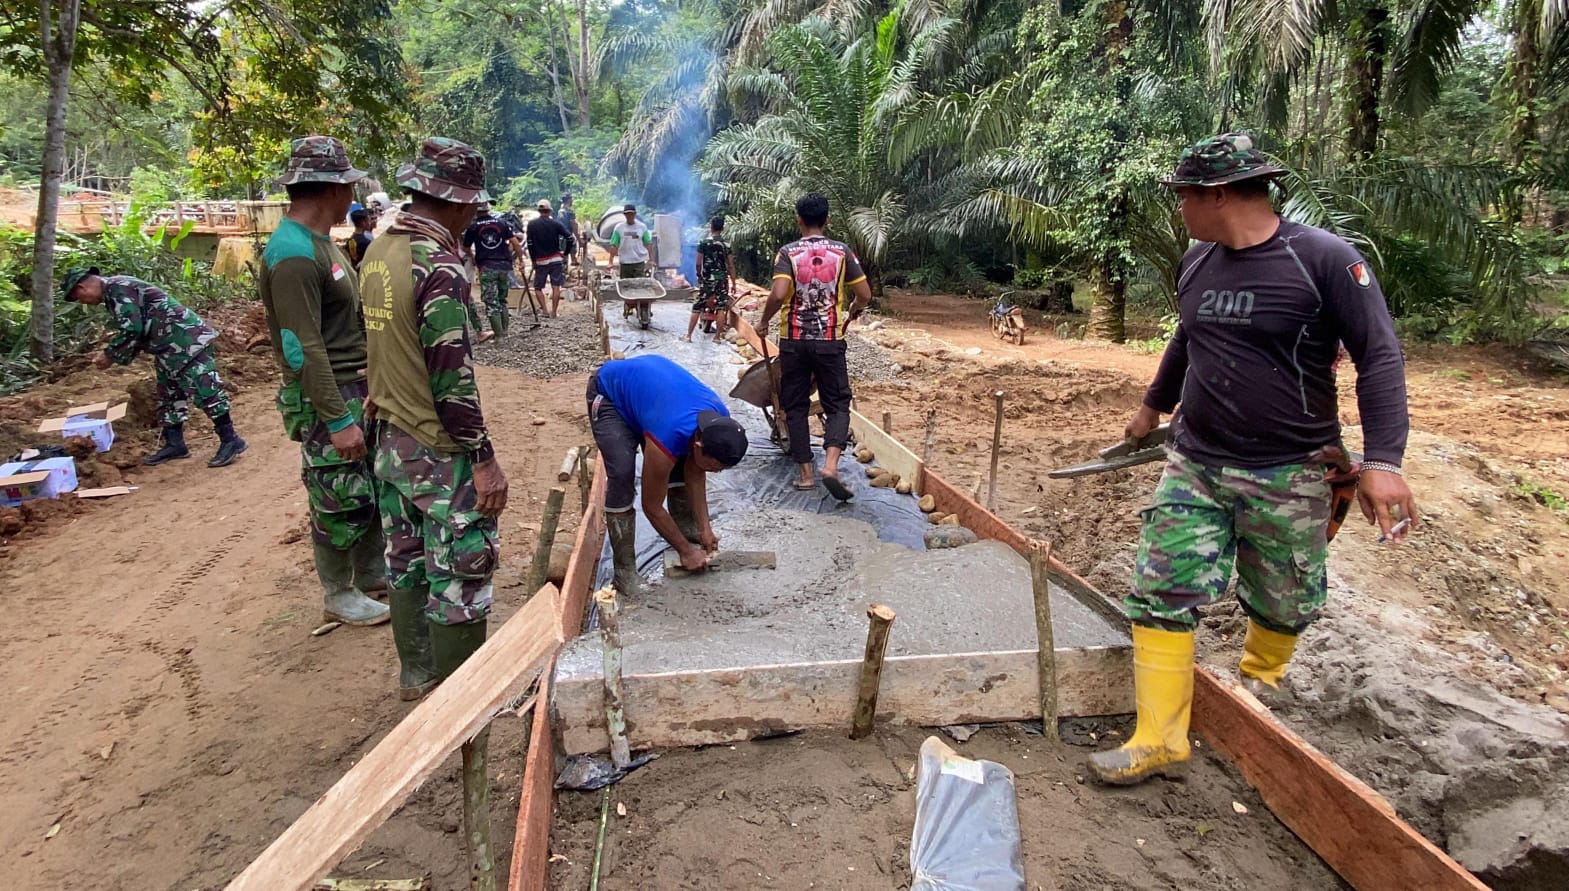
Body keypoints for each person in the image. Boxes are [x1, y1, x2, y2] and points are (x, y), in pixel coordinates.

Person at [1087, 133, 1420, 786]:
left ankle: (1256, 688)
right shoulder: (1196, 262)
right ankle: (1158, 737)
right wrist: (1154, 405)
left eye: (1183, 194)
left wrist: (1383, 457)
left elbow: (1378, 356)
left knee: (1281, 600)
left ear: (1214, 195)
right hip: (1196, 461)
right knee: (1160, 586)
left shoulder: (1323, 260)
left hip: (1291, 469)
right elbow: (1188, 336)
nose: (1177, 205)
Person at [360, 137, 508, 699]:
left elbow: (379, 341)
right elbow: (450, 377)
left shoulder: (378, 252)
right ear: (462, 203)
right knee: (462, 567)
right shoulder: (438, 266)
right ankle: (461, 697)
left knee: (406, 562)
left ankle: (416, 675)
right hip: (436, 447)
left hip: (391, 440)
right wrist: (483, 458)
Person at [258, 136, 390, 628]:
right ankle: (339, 590)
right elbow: (301, 347)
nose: (352, 197)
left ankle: (371, 572)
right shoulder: (292, 254)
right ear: (331, 189)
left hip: (354, 385)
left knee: (366, 486)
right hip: (328, 391)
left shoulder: (320, 243)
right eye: (349, 187)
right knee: (336, 491)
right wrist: (336, 417)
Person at [588, 354, 749, 594]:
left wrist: (705, 527)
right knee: (622, 473)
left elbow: (695, 473)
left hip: (654, 399)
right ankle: (625, 573)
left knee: (681, 464)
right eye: (716, 466)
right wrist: (686, 552)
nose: (717, 472)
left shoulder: (717, 420)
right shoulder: (668, 435)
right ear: (699, 446)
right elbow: (651, 506)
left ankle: (685, 530)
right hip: (610, 395)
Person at [62, 268, 247, 468]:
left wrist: (110, 355)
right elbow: (139, 330)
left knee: (205, 389)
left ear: (82, 288)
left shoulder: (117, 288)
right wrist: (116, 356)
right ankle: (175, 444)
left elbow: (132, 328)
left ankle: (231, 440)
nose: (83, 303)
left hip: (185, 341)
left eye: (79, 298)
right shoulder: (114, 291)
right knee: (169, 395)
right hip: (167, 345)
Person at [758, 193, 872, 502]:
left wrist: (764, 320)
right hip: (829, 341)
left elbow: (779, 293)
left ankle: (806, 475)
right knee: (836, 403)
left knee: (794, 404)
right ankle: (831, 466)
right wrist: (855, 309)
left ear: (799, 219)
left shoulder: (787, 253)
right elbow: (864, 293)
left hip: (794, 341)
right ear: (827, 220)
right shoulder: (842, 251)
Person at [461, 201, 519, 338]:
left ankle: (499, 337)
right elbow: (515, 242)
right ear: (488, 209)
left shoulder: (473, 227)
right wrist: (517, 258)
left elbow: (466, 247)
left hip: (487, 267)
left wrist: (473, 258)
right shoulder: (502, 223)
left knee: (491, 301)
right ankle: (505, 331)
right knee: (502, 299)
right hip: (504, 267)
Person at [685, 216, 737, 343]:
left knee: (698, 305)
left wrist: (699, 276)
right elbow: (731, 265)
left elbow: (698, 263)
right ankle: (717, 337)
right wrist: (734, 282)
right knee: (720, 307)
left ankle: (688, 336)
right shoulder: (726, 244)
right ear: (722, 228)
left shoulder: (704, 243)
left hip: (708, 279)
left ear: (711, 227)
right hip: (722, 279)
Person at [525, 198, 577, 318]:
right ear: (549, 211)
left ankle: (544, 311)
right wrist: (565, 254)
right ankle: (554, 312)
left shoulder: (532, 225)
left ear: (539, 211)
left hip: (540, 260)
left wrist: (533, 260)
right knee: (556, 286)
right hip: (555, 259)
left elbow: (530, 244)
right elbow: (570, 238)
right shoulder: (555, 224)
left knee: (538, 287)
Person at [608, 203, 653, 279]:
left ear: (635, 214)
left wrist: (651, 259)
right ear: (624, 215)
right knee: (625, 285)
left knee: (639, 284)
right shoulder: (619, 228)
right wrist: (610, 262)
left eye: (631, 214)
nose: (629, 216)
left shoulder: (642, 227)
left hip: (639, 261)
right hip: (625, 262)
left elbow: (648, 243)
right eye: (627, 214)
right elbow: (614, 245)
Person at [558, 193, 579, 281]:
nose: (572, 200)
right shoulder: (570, 211)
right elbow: (573, 225)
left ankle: (566, 275)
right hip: (567, 236)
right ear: (568, 200)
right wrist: (578, 237)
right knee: (565, 256)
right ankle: (564, 278)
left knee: (564, 255)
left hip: (560, 236)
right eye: (571, 199)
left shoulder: (560, 210)